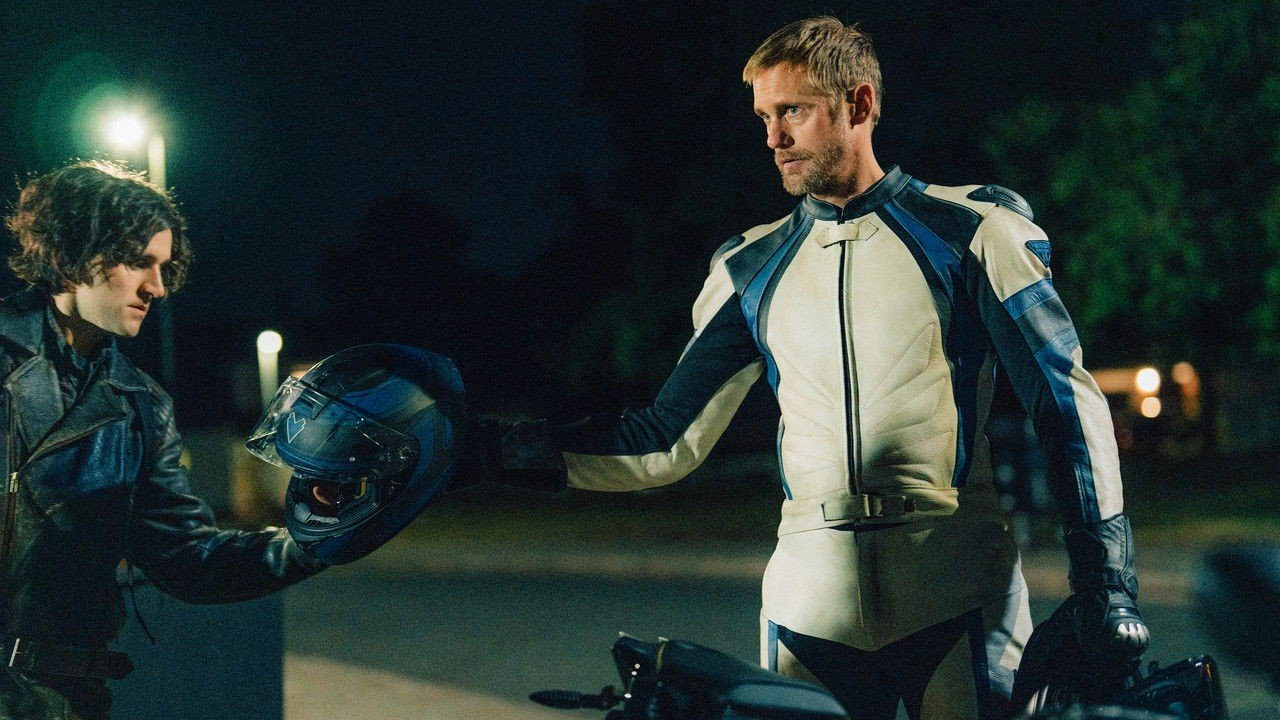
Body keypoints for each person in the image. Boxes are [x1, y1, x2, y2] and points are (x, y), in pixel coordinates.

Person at [467, 17, 1150, 720]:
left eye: (791, 111)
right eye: (764, 117)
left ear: (859, 104)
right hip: (809, 612)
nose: (773, 138)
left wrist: (1107, 582)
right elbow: (663, 441)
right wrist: (482, 450)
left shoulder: (973, 232)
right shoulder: (749, 269)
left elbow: (1065, 407)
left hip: (957, 595)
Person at [0, 160, 325, 719]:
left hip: (65, 702)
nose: (157, 287)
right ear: (73, 251)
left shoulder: (141, 405)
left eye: (163, 267)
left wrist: (318, 538)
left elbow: (186, 558)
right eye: (138, 262)